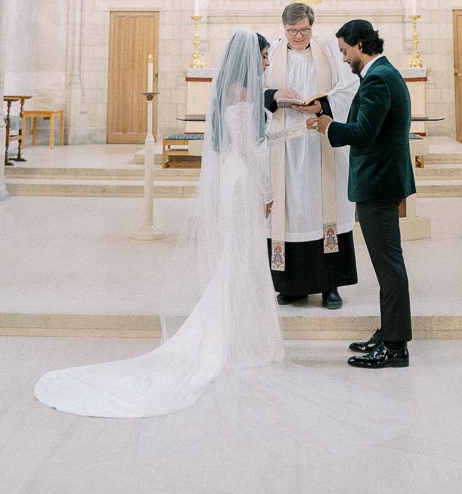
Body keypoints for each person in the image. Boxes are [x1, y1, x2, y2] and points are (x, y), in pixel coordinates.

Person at [34, 29, 283, 417]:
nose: (267, 63)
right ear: (251, 60)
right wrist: (269, 192)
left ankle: (236, 335)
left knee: (238, 259)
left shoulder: (227, 96)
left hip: (232, 178)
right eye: (264, 57)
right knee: (244, 258)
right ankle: (237, 341)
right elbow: (251, 151)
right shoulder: (244, 98)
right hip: (245, 182)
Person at [308, 19, 415, 369]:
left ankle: (395, 346)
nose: (343, 59)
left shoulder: (378, 79)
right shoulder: (382, 74)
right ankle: (389, 332)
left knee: (388, 266)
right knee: (387, 264)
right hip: (381, 179)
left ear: (359, 45)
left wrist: (328, 127)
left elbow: (365, 131)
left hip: (378, 182)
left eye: (343, 51)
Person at [264, 2, 359, 308]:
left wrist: (322, 106)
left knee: (323, 209)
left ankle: (330, 285)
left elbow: (350, 88)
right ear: (284, 29)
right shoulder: (272, 54)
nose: (299, 36)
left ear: (312, 27)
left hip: (321, 144)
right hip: (284, 148)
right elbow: (254, 90)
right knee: (289, 211)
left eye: (305, 30)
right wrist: (275, 97)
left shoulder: (329, 51)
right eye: (293, 31)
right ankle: (291, 286)